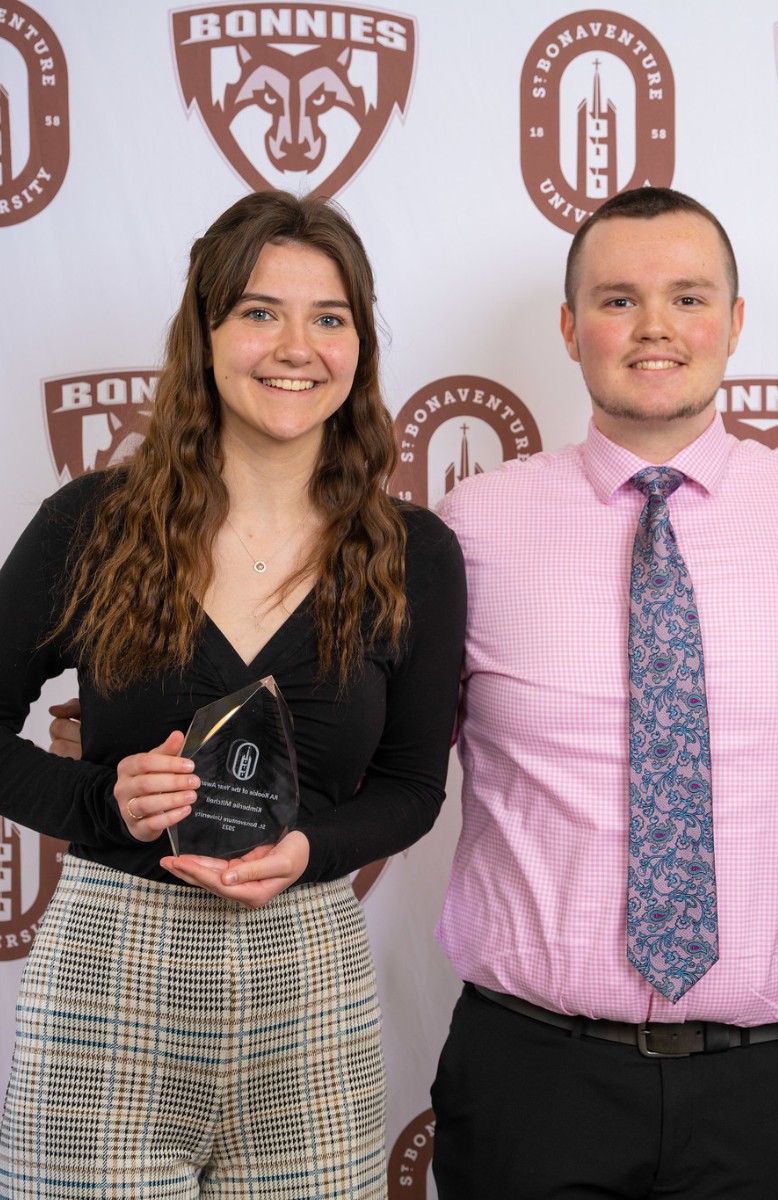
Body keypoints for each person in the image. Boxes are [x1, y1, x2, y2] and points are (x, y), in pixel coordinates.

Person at [429, 187, 778, 1199]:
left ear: (733, 324)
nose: (654, 325)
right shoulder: (471, 525)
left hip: (765, 1084)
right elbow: (390, 754)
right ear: (570, 328)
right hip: (532, 1077)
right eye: (618, 299)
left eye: (688, 298)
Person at [0, 190, 466, 1196]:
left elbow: (412, 786)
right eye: (260, 312)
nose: (296, 347)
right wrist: (103, 801)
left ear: (359, 347)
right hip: (110, 981)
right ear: (204, 335)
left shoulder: (412, 553)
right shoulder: (93, 525)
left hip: (310, 983)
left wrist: (308, 851)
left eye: (329, 317)